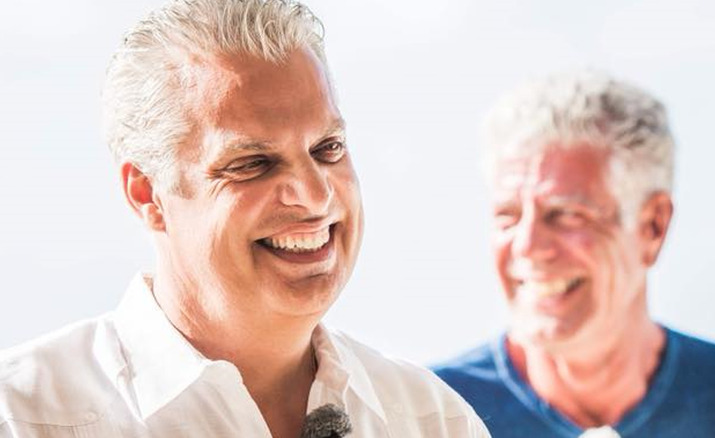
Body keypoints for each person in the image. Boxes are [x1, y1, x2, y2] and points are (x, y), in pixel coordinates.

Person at [0, 1, 489, 437]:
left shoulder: (435, 420)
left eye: (328, 148)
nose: (316, 195)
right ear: (148, 194)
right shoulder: (24, 417)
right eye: (253, 163)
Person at [432, 71, 715, 437]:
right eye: (508, 216)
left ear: (652, 226)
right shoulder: (424, 416)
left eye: (566, 214)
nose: (527, 246)